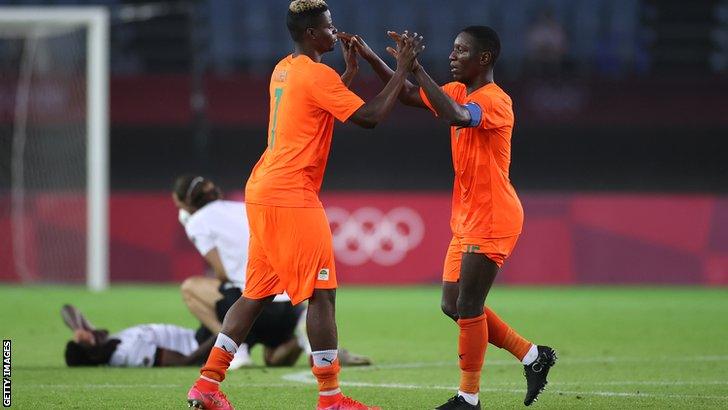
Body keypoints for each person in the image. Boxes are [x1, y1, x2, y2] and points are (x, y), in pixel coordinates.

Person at [185, 1, 423, 408]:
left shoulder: (284, 68)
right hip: (291, 194)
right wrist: (402, 66)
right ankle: (331, 399)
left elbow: (315, 110)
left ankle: (207, 384)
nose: (335, 33)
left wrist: (348, 74)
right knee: (321, 293)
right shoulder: (315, 74)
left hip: (262, 190)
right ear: (312, 33)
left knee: (255, 294)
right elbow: (369, 117)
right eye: (329, 28)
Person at [353, 27, 557, 408]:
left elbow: (457, 117)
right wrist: (380, 61)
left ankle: (469, 397)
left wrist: (416, 67)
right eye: (452, 49)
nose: (452, 56)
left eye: (461, 51)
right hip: (467, 217)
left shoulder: (496, 100)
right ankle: (533, 356)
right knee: (453, 304)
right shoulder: (459, 89)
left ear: (484, 59)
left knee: (469, 306)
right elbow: (412, 96)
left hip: (493, 216)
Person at [173, 174, 371, 368]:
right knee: (274, 359)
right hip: (288, 305)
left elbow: (222, 272)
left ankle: (236, 350)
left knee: (190, 288)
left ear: (186, 204)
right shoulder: (242, 208)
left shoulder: (196, 222)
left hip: (250, 306)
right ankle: (304, 337)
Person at [62, 304, 214, 368]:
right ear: (92, 355)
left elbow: (67, 309)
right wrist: (220, 335)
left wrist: (77, 328)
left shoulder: (109, 343)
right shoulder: (127, 355)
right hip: (204, 344)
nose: (85, 337)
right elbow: (184, 361)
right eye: (83, 343)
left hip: (201, 334)